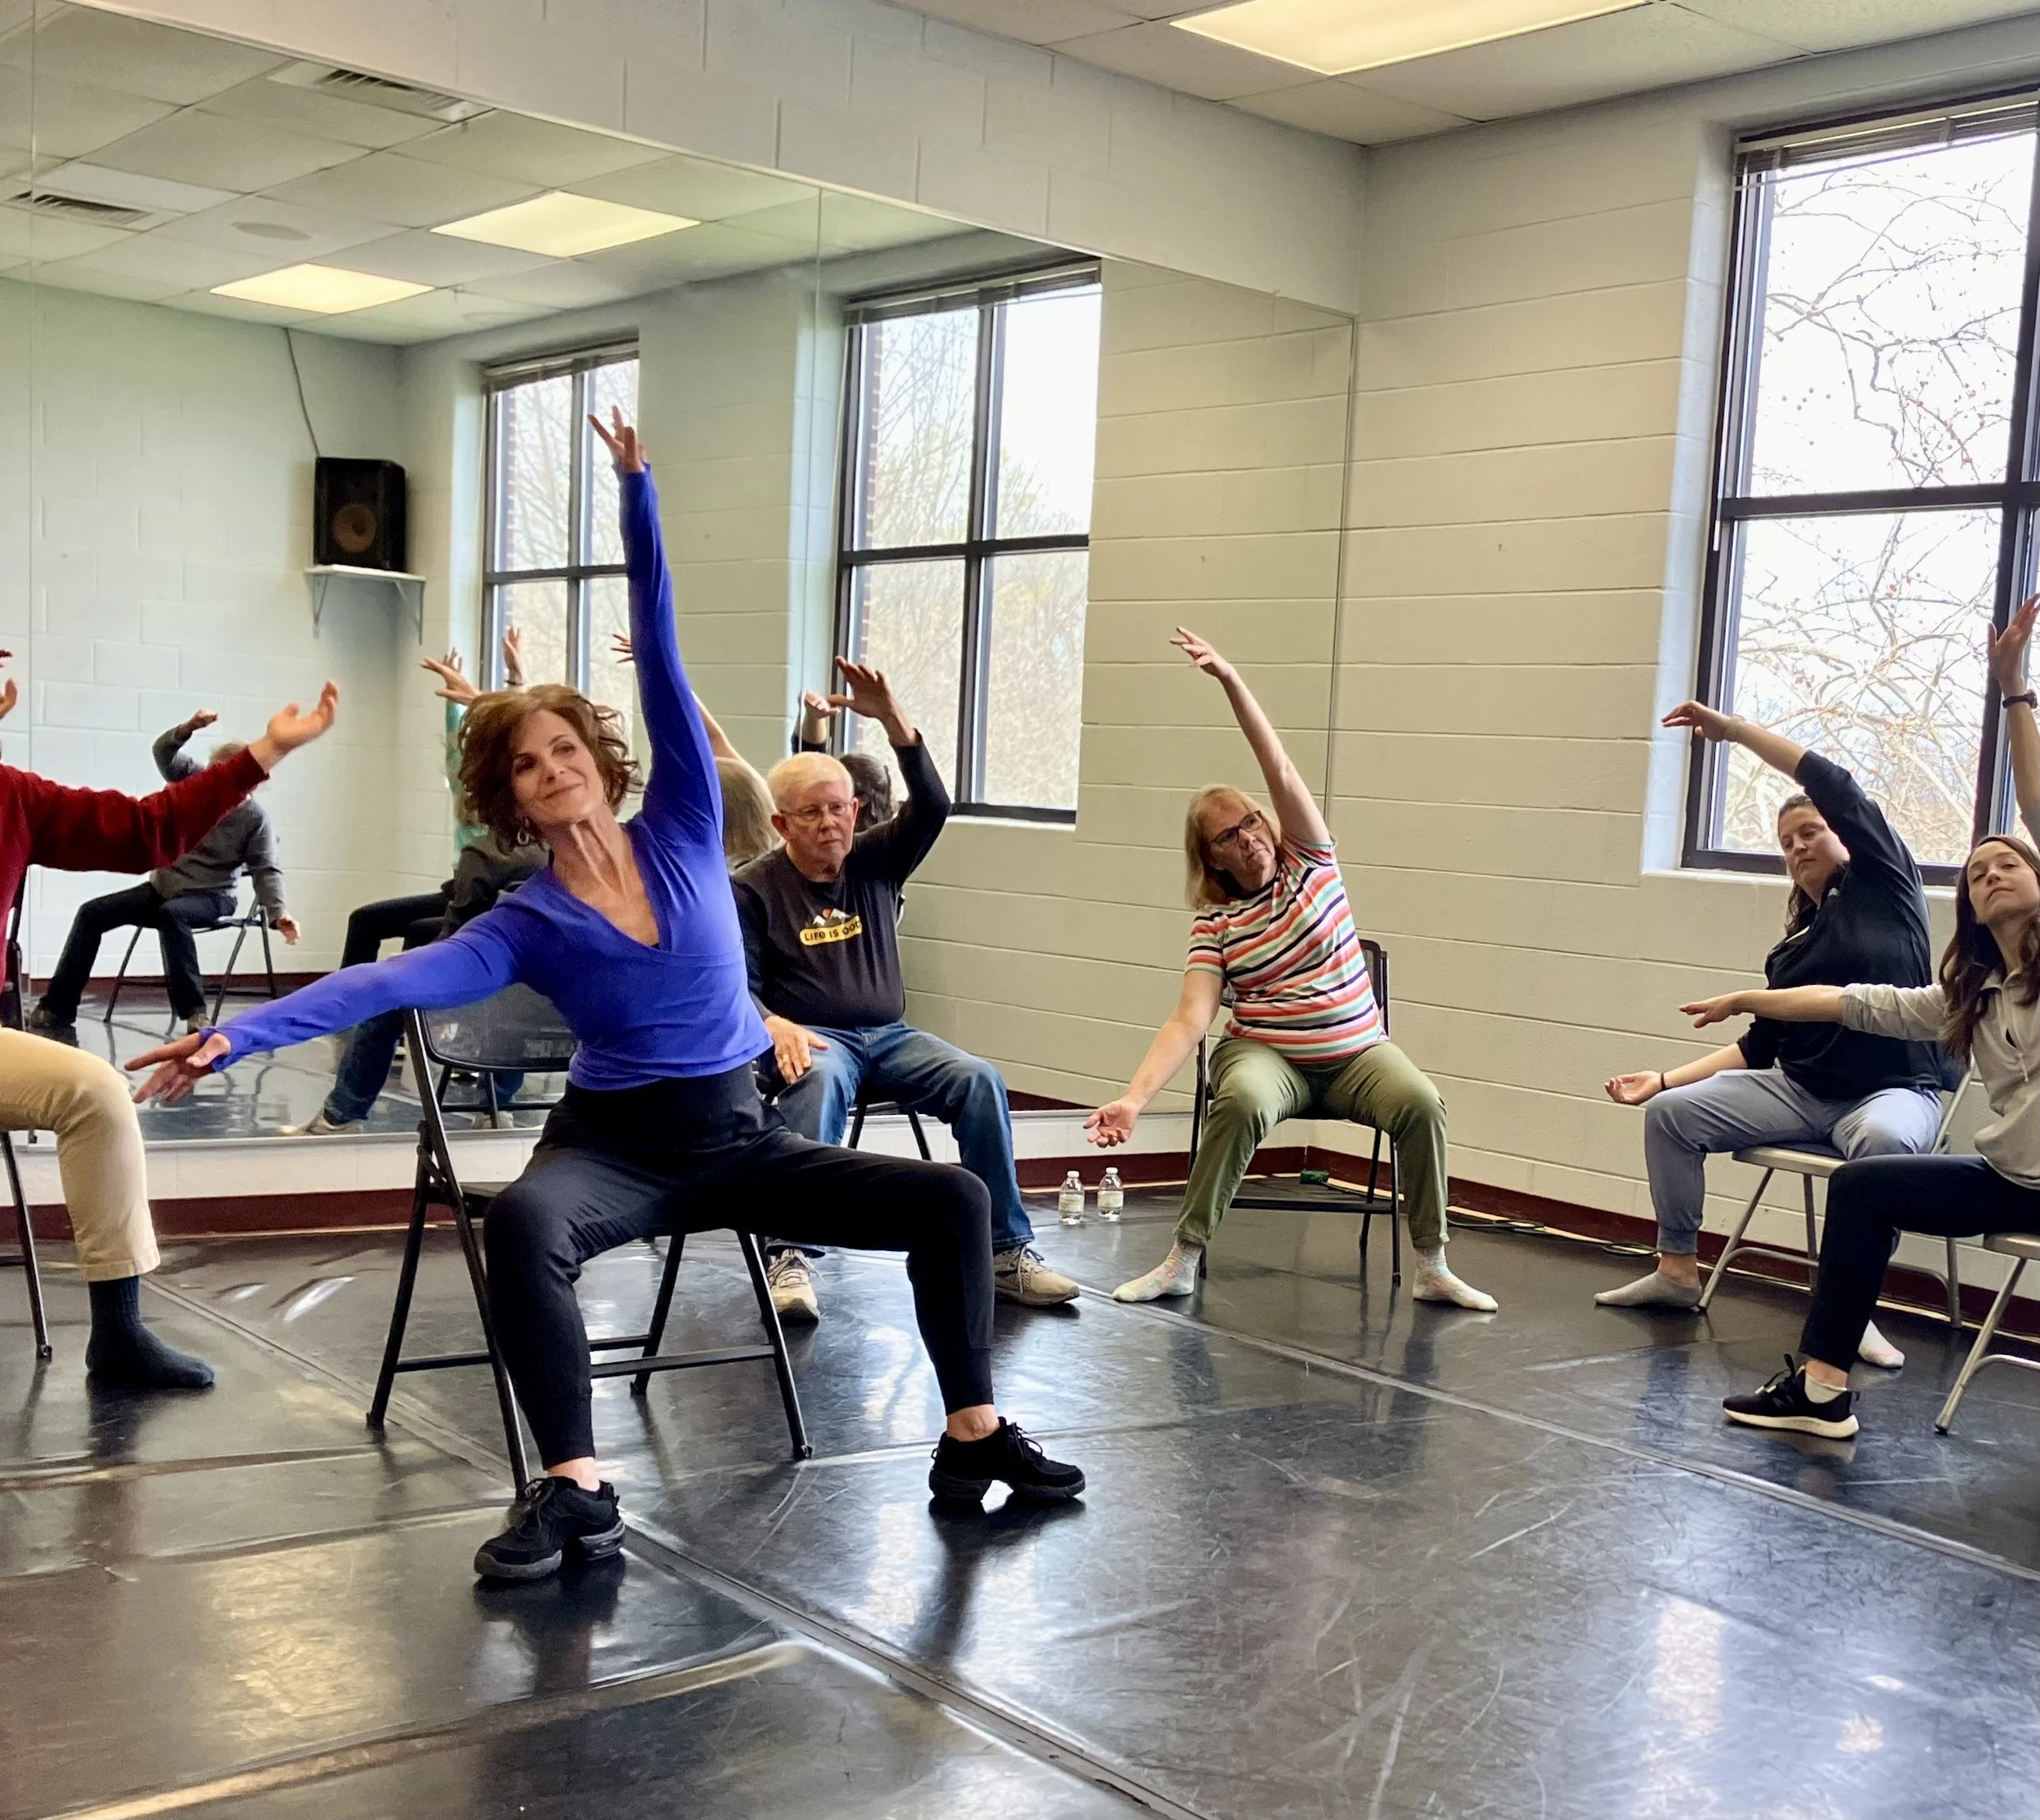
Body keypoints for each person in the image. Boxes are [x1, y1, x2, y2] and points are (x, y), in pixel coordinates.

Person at [132, 411, 1083, 1581]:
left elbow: (662, 641)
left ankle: (971, 1438)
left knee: (953, 1197)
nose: (553, 769)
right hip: (615, 1152)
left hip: (736, 1136)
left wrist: (637, 490)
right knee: (528, 1220)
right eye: (527, 764)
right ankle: (576, 1484)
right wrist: (229, 1037)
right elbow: (386, 979)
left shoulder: (684, 821)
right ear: (512, 799)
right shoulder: (525, 920)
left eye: (565, 747)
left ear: (598, 754)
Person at [1694, 596, 2040, 1437]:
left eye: (2010, 862)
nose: (1991, 871)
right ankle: (1820, 1391)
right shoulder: (1968, 996)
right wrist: (1748, 1000)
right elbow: (1854, 1004)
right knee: (1861, 1189)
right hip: (2014, 1183)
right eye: (1977, 869)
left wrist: (2013, 691)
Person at [1087, 629, 1495, 1311]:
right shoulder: (1215, 923)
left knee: (1424, 1104)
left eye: (1251, 822)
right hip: (1269, 1056)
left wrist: (1231, 680)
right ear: (1212, 858)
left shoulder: (1312, 859)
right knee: (1240, 1100)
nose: (1249, 838)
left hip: (1358, 1053)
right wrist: (1134, 1098)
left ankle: (1433, 1265)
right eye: (1229, 836)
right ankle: (1180, 1259)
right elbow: (1191, 1017)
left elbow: (1277, 765)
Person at [0, 673, 337, 1387]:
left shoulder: (14, 796)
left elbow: (148, 829)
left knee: (96, 1090)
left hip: (188, 904)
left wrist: (265, 751)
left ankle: (118, 1334)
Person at [1597, 701, 1947, 1367]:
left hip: (1892, 1091)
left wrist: (1734, 734)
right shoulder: (1792, 952)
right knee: (1671, 1116)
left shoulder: (1887, 889)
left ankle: (1854, 1308)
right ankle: (1677, 1271)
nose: (1798, 848)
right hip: (1803, 1093)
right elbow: (1760, 1048)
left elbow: (1836, 785)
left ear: (1844, 838)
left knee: (1882, 1143)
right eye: (1787, 843)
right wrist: (1664, 1079)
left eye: (1810, 832)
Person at [734, 667, 1079, 1321]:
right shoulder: (753, 887)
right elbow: (734, 989)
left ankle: (1005, 1251)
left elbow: (934, 805)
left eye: (840, 808)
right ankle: (790, 1255)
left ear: (856, 810)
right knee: (817, 1080)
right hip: (814, 1038)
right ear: (782, 822)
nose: (831, 823)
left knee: (979, 1080)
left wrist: (895, 719)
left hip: (890, 1038)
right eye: (812, 812)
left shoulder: (878, 858)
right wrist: (772, 1023)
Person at [282, 646, 543, 1136]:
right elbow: (483, 741)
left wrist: (415, 975)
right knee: (386, 929)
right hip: (536, 983)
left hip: (491, 978)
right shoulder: (557, 847)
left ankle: (341, 1114)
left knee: (393, 996)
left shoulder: (486, 854)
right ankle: (498, 1102)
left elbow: (456, 938)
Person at [31, 710, 301, 1038]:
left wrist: (279, 913)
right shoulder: (194, 784)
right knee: (92, 913)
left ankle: (195, 1014)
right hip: (163, 889)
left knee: (172, 915)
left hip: (211, 896)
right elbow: (163, 752)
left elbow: (266, 869)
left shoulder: (255, 820)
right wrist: (187, 729)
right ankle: (58, 1007)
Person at [327, 631, 528, 979]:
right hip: (462, 893)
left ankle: (407, 1020)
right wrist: (454, 702)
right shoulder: (464, 787)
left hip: (494, 901)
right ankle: (344, 1011)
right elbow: (455, 741)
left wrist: (516, 681)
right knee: (366, 919)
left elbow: (520, 732)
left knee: (420, 932)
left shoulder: (515, 791)